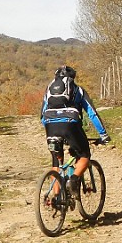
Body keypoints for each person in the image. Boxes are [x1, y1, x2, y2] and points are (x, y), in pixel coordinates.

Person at [40, 65, 110, 195]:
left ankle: (57, 199)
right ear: (73, 78)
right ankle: (74, 179)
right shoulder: (78, 90)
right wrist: (103, 134)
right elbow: (92, 114)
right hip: (70, 126)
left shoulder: (48, 91)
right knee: (84, 155)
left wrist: (51, 130)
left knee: (56, 162)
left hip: (50, 127)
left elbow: (42, 116)